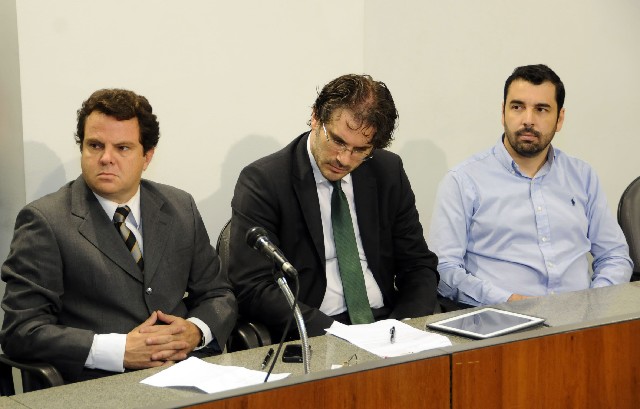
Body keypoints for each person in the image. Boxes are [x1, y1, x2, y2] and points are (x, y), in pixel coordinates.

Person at [0, 89, 237, 382]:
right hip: (100, 384)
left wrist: (195, 331)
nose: (106, 158)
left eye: (122, 148)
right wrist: (119, 350)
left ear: (147, 156)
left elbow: (219, 294)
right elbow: (21, 330)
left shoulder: (179, 207)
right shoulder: (45, 220)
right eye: (95, 145)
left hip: (186, 373)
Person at [229, 74, 439, 339]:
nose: (344, 159)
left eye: (360, 150)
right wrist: (339, 335)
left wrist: (404, 328)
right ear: (316, 117)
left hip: (386, 324)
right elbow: (253, 287)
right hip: (317, 330)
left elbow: (418, 264)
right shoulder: (265, 181)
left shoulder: (387, 171)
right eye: (338, 141)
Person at [429, 64, 633, 308]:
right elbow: (445, 270)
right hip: (501, 319)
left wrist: (593, 303)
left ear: (560, 119)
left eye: (541, 109)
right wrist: (507, 301)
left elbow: (614, 255)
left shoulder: (582, 175)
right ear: (503, 113)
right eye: (517, 107)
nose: (528, 120)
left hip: (581, 318)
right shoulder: (463, 181)